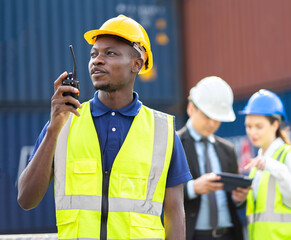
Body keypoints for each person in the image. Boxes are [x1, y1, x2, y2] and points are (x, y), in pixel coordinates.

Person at [17, 15, 192, 240]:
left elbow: (175, 212)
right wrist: (52, 130)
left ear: (136, 64)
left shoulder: (163, 132)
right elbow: (26, 200)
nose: (97, 60)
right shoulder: (63, 123)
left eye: (110, 53)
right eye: (93, 54)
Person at [240, 89, 291, 240]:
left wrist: (273, 166)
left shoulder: (289, 156)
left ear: (275, 124)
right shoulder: (258, 162)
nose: (252, 132)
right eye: (248, 126)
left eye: (258, 126)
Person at [178, 76, 250, 240]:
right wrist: (193, 188)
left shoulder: (227, 149)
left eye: (217, 118)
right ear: (191, 109)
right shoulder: (173, 145)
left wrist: (239, 198)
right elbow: (159, 192)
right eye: (207, 116)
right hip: (192, 236)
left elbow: (235, 200)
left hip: (229, 235)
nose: (211, 123)